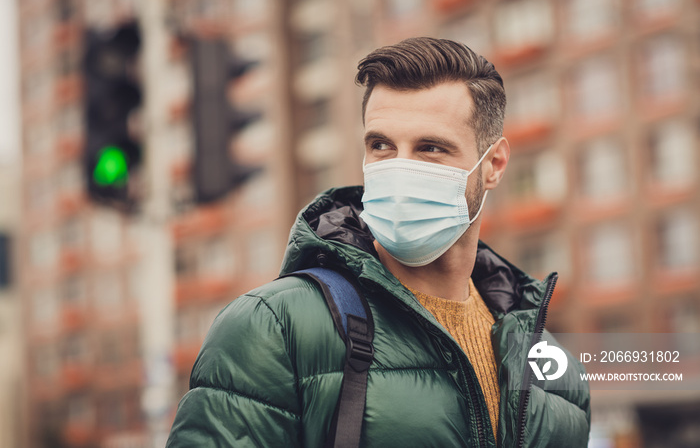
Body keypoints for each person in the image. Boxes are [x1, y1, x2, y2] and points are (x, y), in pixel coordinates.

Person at [166, 37, 590, 447]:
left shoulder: (555, 373)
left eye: (430, 148)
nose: (399, 169)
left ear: (493, 165)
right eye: (381, 144)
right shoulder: (274, 328)